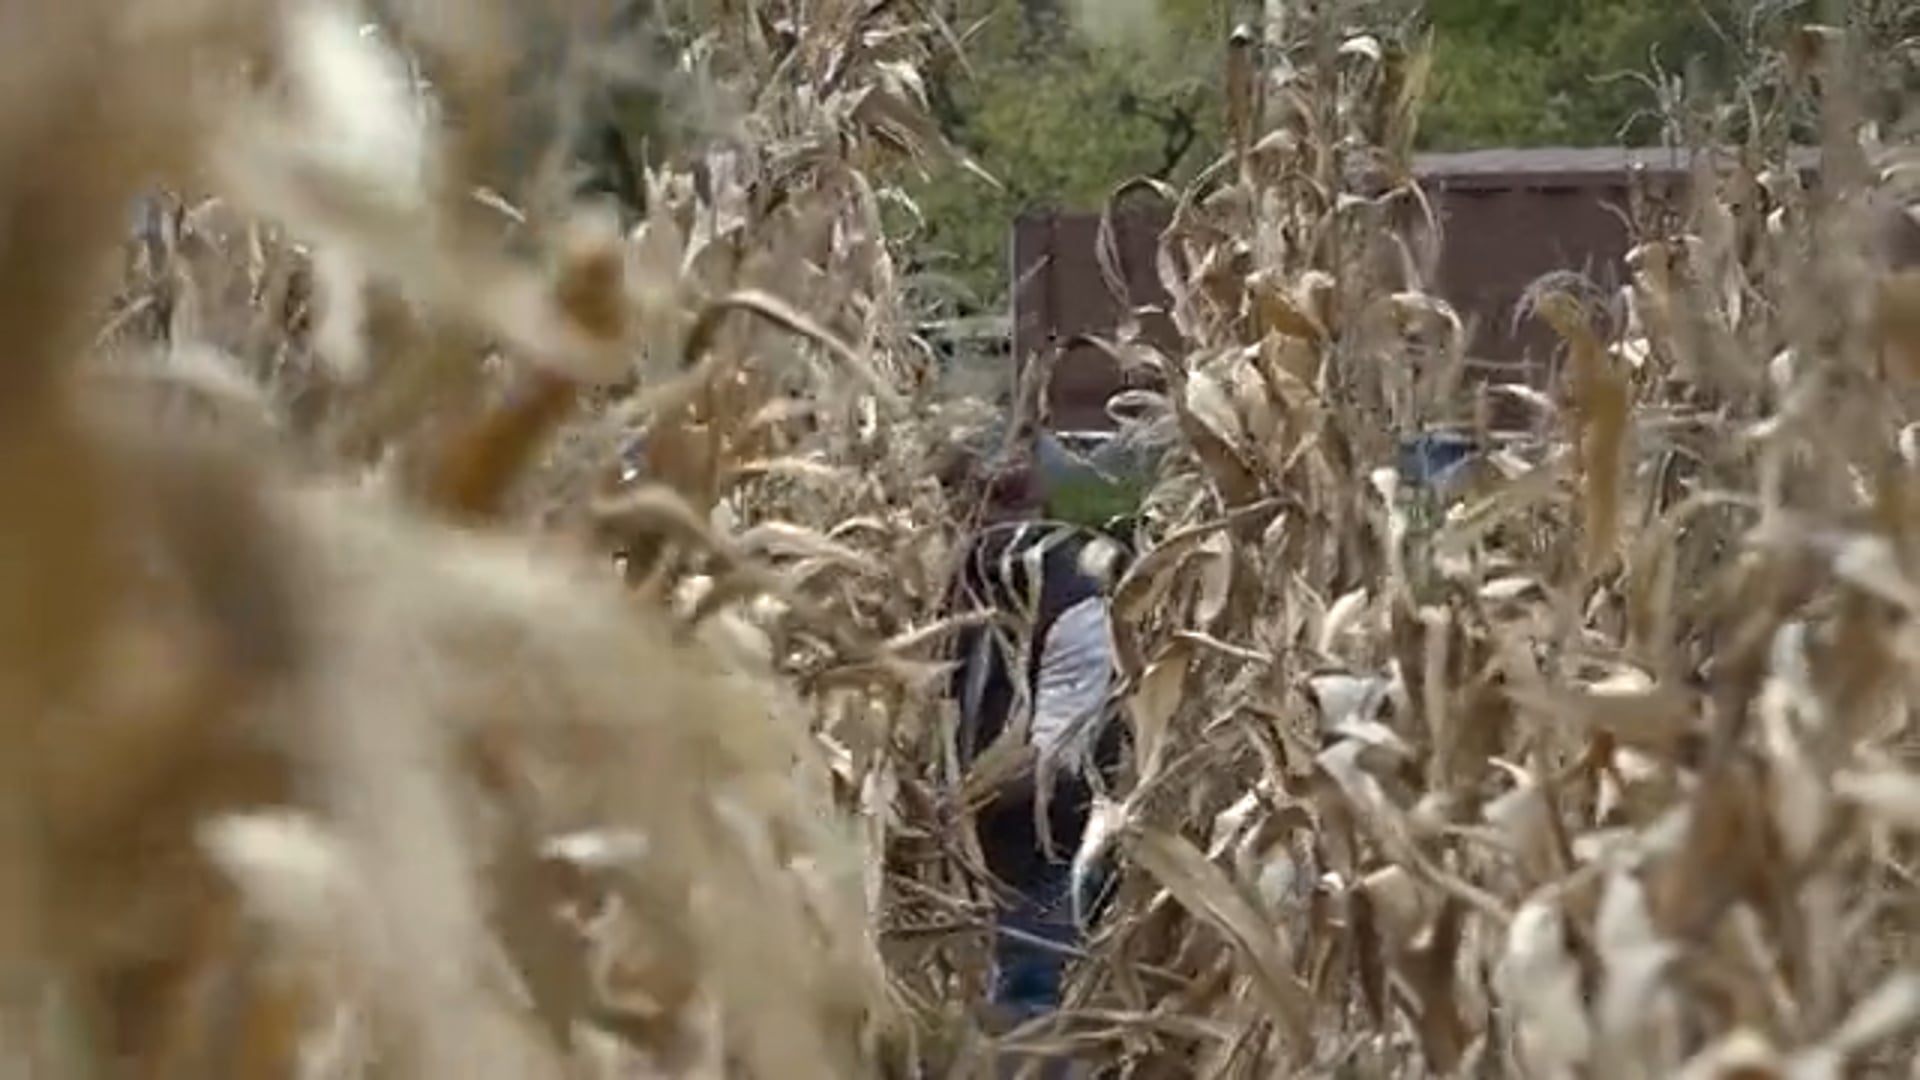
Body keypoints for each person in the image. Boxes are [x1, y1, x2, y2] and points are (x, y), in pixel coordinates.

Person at [938, 423, 1130, 1031]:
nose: (990, 521)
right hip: (961, 865)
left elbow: (1058, 759)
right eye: (972, 501)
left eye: (1006, 499)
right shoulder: (939, 585)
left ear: (1035, 500)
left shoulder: (1075, 599)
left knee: (1033, 1013)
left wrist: (943, 805)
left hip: (1050, 851)